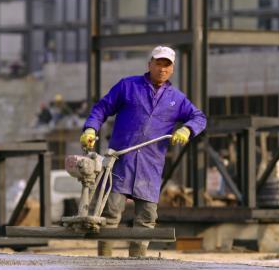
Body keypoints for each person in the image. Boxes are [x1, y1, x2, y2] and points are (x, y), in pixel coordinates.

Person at [80, 45, 207, 258]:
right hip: (121, 161)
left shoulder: (176, 99)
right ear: (150, 64)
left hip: (150, 167)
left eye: (167, 65)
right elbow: (101, 108)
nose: (162, 69)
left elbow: (199, 117)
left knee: (146, 218)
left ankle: (137, 263)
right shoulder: (128, 86)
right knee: (110, 214)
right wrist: (91, 128)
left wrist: (187, 128)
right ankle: (103, 262)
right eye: (159, 63)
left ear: (172, 69)